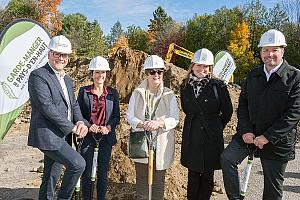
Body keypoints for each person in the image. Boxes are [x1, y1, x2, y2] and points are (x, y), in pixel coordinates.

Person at [221, 29, 300, 200]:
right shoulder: (253, 75)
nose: (269, 54)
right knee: (227, 158)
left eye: (274, 50)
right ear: (260, 52)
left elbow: (293, 114)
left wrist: (268, 137)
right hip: (250, 135)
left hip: (277, 141)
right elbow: (243, 106)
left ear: (282, 51)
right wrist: (246, 130)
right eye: (265, 50)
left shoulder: (295, 77)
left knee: (272, 188)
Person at [28, 35, 88, 200]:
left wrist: (81, 121)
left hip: (62, 136)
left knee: (50, 177)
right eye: (57, 54)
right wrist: (72, 127)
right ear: (49, 54)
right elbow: (46, 107)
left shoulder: (67, 79)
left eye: (64, 55)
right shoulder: (38, 76)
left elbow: (73, 105)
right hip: (48, 135)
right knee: (78, 164)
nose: (61, 58)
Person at [180, 48, 233, 200]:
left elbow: (227, 111)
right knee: (193, 175)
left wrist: (216, 126)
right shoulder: (184, 86)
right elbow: (186, 109)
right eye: (199, 65)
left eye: (206, 66)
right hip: (192, 134)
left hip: (212, 137)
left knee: (208, 176)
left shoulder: (219, 86)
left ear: (210, 68)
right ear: (193, 65)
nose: (202, 69)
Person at [126, 55, 179, 200]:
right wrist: (143, 124)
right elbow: (129, 116)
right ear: (146, 73)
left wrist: (159, 123)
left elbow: (175, 118)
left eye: (159, 72)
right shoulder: (137, 93)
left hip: (161, 142)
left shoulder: (169, 94)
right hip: (142, 142)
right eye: (152, 72)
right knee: (142, 182)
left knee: (158, 181)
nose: (156, 75)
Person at [77, 56, 120, 200]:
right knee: (87, 173)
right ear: (92, 74)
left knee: (102, 174)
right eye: (97, 72)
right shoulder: (84, 92)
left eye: (103, 72)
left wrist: (108, 127)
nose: (100, 75)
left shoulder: (112, 93)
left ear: (106, 74)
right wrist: (89, 126)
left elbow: (116, 116)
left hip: (106, 138)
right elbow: (78, 115)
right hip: (88, 138)